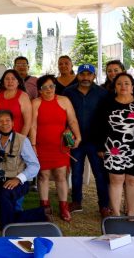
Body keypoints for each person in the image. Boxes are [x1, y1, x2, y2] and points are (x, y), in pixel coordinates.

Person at [96, 72, 134, 217]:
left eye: (126, 83)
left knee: (132, 181)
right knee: (115, 180)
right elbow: (98, 126)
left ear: (132, 86)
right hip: (113, 147)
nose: (123, 86)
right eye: (119, 83)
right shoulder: (106, 103)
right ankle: (116, 214)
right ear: (115, 87)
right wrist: (100, 147)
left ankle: (131, 212)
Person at [63, 64, 111, 217]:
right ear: (77, 76)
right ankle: (76, 202)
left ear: (94, 76)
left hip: (96, 142)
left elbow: (107, 118)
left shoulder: (102, 93)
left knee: (100, 174)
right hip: (76, 141)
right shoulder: (68, 92)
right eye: (82, 74)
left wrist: (104, 142)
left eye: (88, 74)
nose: (85, 77)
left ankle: (104, 205)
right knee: (76, 173)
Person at [31, 74, 81, 222]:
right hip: (42, 146)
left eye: (51, 86)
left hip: (60, 147)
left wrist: (78, 137)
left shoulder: (64, 101)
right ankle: (44, 207)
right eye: (44, 87)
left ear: (55, 86)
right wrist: (33, 145)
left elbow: (72, 120)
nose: (48, 90)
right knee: (43, 176)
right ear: (39, 90)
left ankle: (64, 207)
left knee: (61, 175)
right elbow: (33, 126)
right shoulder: (35, 103)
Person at [0, 110, 49, 231]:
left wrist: (18, 179)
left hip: (18, 180)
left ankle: (5, 228)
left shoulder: (22, 140)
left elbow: (34, 165)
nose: (4, 123)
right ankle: (42, 213)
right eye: (0, 121)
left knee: (4, 194)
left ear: (13, 123)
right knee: (4, 193)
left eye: (7, 120)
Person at [0, 69, 32, 136]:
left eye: (13, 79)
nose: (10, 81)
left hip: (17, 137)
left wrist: (20, 140)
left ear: (18, 82)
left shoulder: (23, 96)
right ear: (3, 81)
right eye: (7, 79)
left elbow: (28, 123)